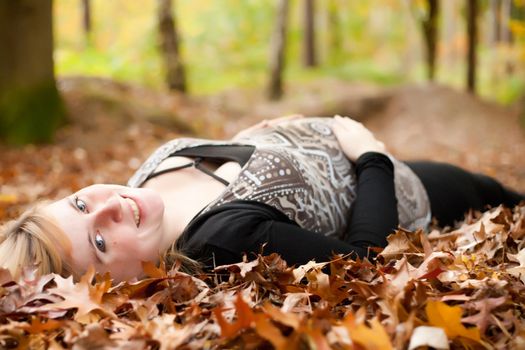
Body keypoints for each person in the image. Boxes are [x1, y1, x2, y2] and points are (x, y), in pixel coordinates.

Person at [0, 116, 523, 282]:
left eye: (78, 204)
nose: (109, 206)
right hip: (409, 190)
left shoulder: (143, 185)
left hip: (366, 159)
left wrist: (265, 132)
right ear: (116, 288)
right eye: (99, 240)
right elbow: (367, 261)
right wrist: (371, 155)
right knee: (503, 196)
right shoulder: (221, 239)